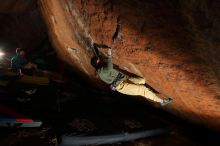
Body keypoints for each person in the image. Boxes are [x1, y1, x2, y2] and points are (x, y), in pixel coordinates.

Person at [91, 45, 173, 106]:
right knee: (142, 89)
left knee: (142, 81)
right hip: (122, 86)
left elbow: (101, 60)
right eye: (99, 59)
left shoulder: (100, 68)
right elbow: (109, 67)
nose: (100, 59)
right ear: (98, 62)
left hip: (124, 79)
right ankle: (162, 101)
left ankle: (154, 95)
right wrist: (109, 55)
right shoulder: (102, 71)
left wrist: (97, 51)